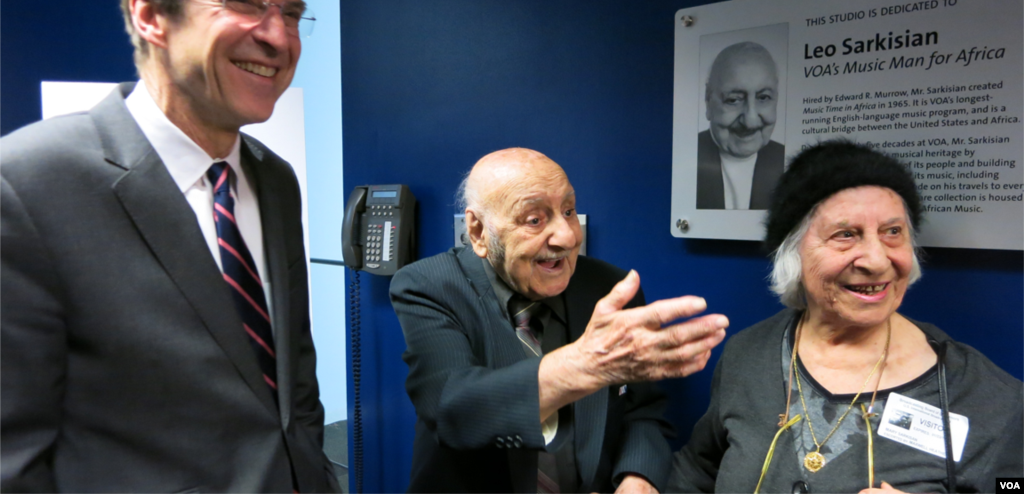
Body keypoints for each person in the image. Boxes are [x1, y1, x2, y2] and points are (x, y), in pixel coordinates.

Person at [0, 0, 340, 492]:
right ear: (150, 15)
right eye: (243, 1)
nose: (279, 38)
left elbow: (292, 394)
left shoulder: (273, 181)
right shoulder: (29, 183)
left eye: (290, 12)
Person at [669, 140, 1024, 493]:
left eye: (892, 232)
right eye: (846, 234)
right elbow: (697, 469)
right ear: (794, 252)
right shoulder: (747, 355)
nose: (876, 260)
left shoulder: (988, 396)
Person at [390, 148, 730, 494]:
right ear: (478, 232)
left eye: (568, 211)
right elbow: (454, 410)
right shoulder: (427, 285)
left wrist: (638, 476)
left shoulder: (609, 288)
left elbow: (642, 410)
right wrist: (586, 365)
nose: (568, 237)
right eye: (534, 219)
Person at [696, 41, 784, 210]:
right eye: (734, 100)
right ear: (708, 101)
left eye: (763, 98)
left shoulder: (788, 162)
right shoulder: (686, 157)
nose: (750, 121)